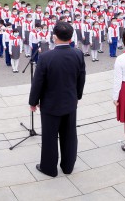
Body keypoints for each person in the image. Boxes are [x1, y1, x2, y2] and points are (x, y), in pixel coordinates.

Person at [29, 21, 85, 177]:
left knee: (50, 137)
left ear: (54, 37)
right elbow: (81, 78)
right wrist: (77, 96)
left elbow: (38, 82)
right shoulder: (78, 53)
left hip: (50, 104)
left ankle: (49, 168)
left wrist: (33, 102)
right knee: (69, 135)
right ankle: (68, 166)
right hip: (70, 101)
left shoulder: (46, 57)